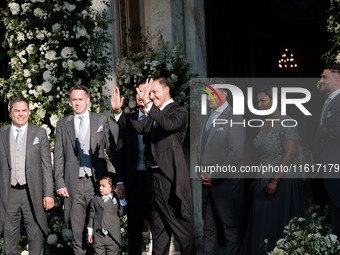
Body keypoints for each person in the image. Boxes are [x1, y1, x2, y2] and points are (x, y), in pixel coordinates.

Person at [111, 77, 197, 255]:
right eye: (150, 93)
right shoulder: (153, 114)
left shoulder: (179, 111)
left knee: (182, 230)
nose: (151, 96)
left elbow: (168, 124)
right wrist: (118, 112)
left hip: (170, 180)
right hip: (154, 179)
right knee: (159, 231)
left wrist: (149, 104)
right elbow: (134, 127)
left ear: (167, 90)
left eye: (154, 92)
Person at [54, 85, 121, 254]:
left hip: (96, 183)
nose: (77, 103)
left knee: (98, 227)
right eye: (74, 100)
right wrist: (60, 182)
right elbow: (59, 155)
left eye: (80, 99)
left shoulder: (100, 120)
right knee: (77, 231)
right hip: (73, 184)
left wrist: (119, 178)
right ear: (70, 102)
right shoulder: (63, 124)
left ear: (88, 100)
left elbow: (111, 150)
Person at [242, 86, 305, 255]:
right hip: (264, 179)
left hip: (281, 180)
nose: (260, 105)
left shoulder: (287, 121)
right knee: (264, 222)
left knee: (277, 221)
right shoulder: (264, 123)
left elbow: (290, 153)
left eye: (263, 101)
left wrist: (275, 180)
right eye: (258, 102)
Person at [0, 96, 55, 255]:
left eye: (24, 110)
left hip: (34, 195)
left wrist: (48, 194)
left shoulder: (40, 133)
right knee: (9, 239)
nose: (21, 114)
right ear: (10, 113)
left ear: (29, 112)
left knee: (36, 237)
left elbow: (46, 166)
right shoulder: (1, 133)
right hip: (9, 194)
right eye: (17, 111)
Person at [197, 85, 245, 255]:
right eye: (207, 95)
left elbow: (236, 154)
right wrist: (201, 172)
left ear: (224, 94)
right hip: (207, 186)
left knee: (231, 234)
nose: (209, 98)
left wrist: (214, 175)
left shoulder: (235, 117)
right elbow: (201, 149)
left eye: (213, 94)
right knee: (208, 233)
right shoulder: (206, 118)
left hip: (227, 186)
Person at [114, 82, 150, 255]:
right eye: (138, 93)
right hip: (134, 182)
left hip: (155, 181)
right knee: (134, 228)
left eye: (143, 92)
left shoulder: (161, 118)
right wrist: (120, 181)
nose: (140, 96)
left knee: (158, 227)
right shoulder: (127, 119)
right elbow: (120, 153)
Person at [315, 64, 340, 237]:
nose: (320, 80)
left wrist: (321, 131)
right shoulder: (328, 101)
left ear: (338, 78)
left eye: (325, 77)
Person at [87, 173, 127, 255]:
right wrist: (90, 233)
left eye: (103, 186)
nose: (100, 188)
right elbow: (92, 216)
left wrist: (122, 200)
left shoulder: (117, 199)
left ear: (112, 188)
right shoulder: (95, 199)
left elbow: (122, 213)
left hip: (112, 235)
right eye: (100, 185)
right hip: (99, 235)